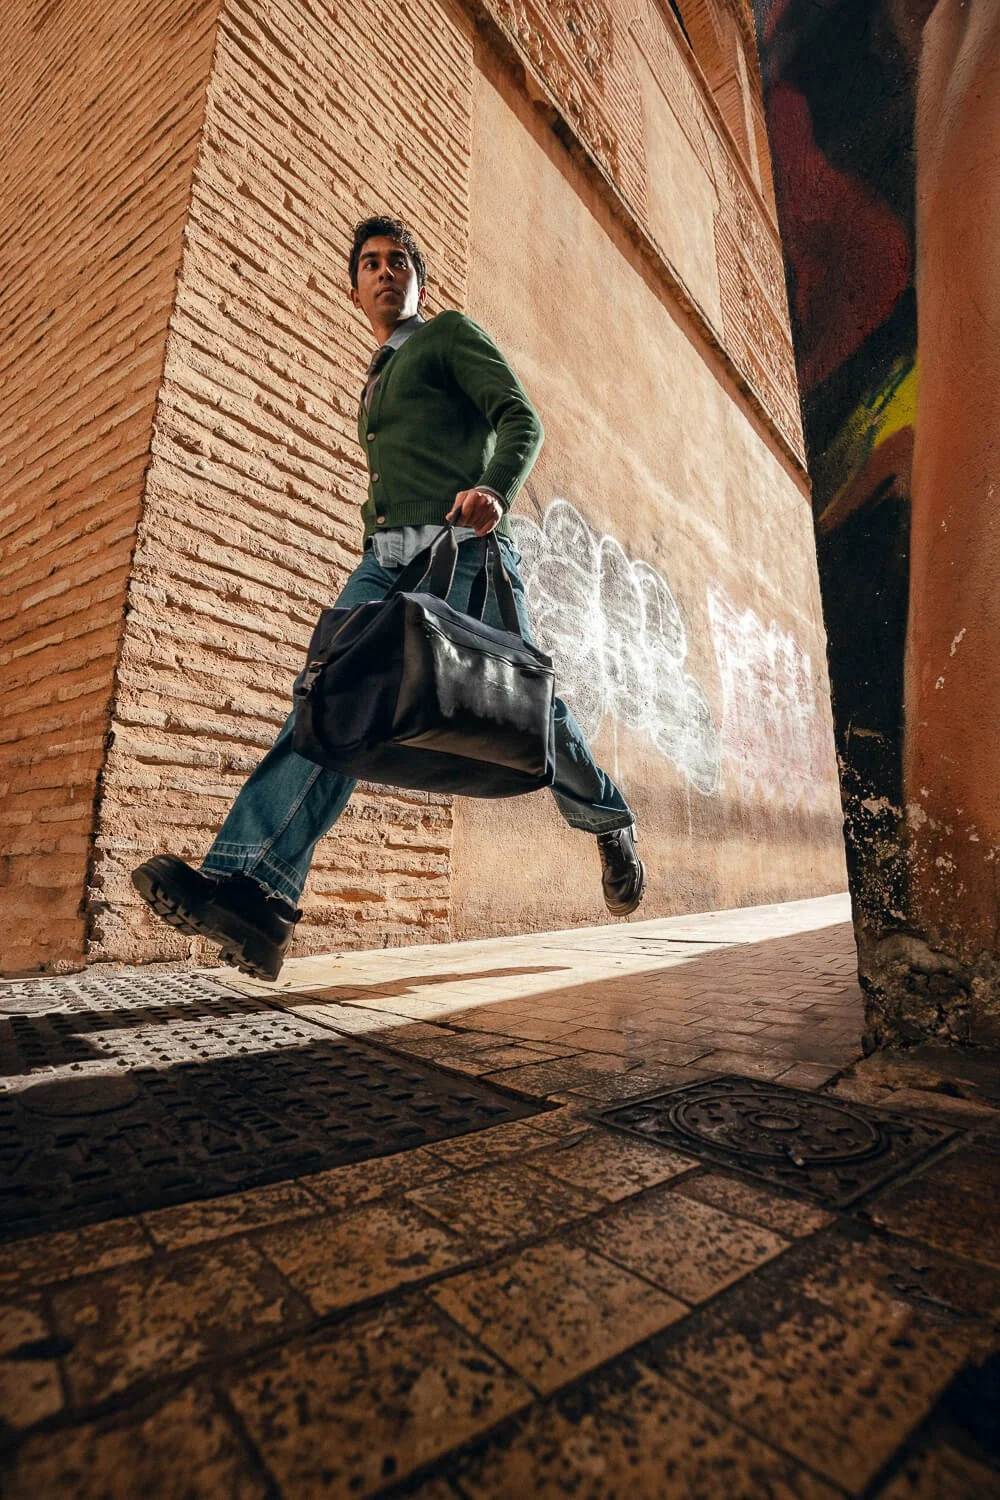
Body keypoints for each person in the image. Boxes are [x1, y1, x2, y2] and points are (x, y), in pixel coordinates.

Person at [132, 215, 645, 980]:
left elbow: (520, 418)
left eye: (398, 261)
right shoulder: (376, 379)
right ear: (354, 290)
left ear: (418, 280)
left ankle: (607, 819)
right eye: (370, 263)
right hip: (385, 561)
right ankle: (255, 894)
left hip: (465, 549)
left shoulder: (447, 337)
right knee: (331, 699)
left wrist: (494, 490)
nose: (384, 272)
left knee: (529, 709)